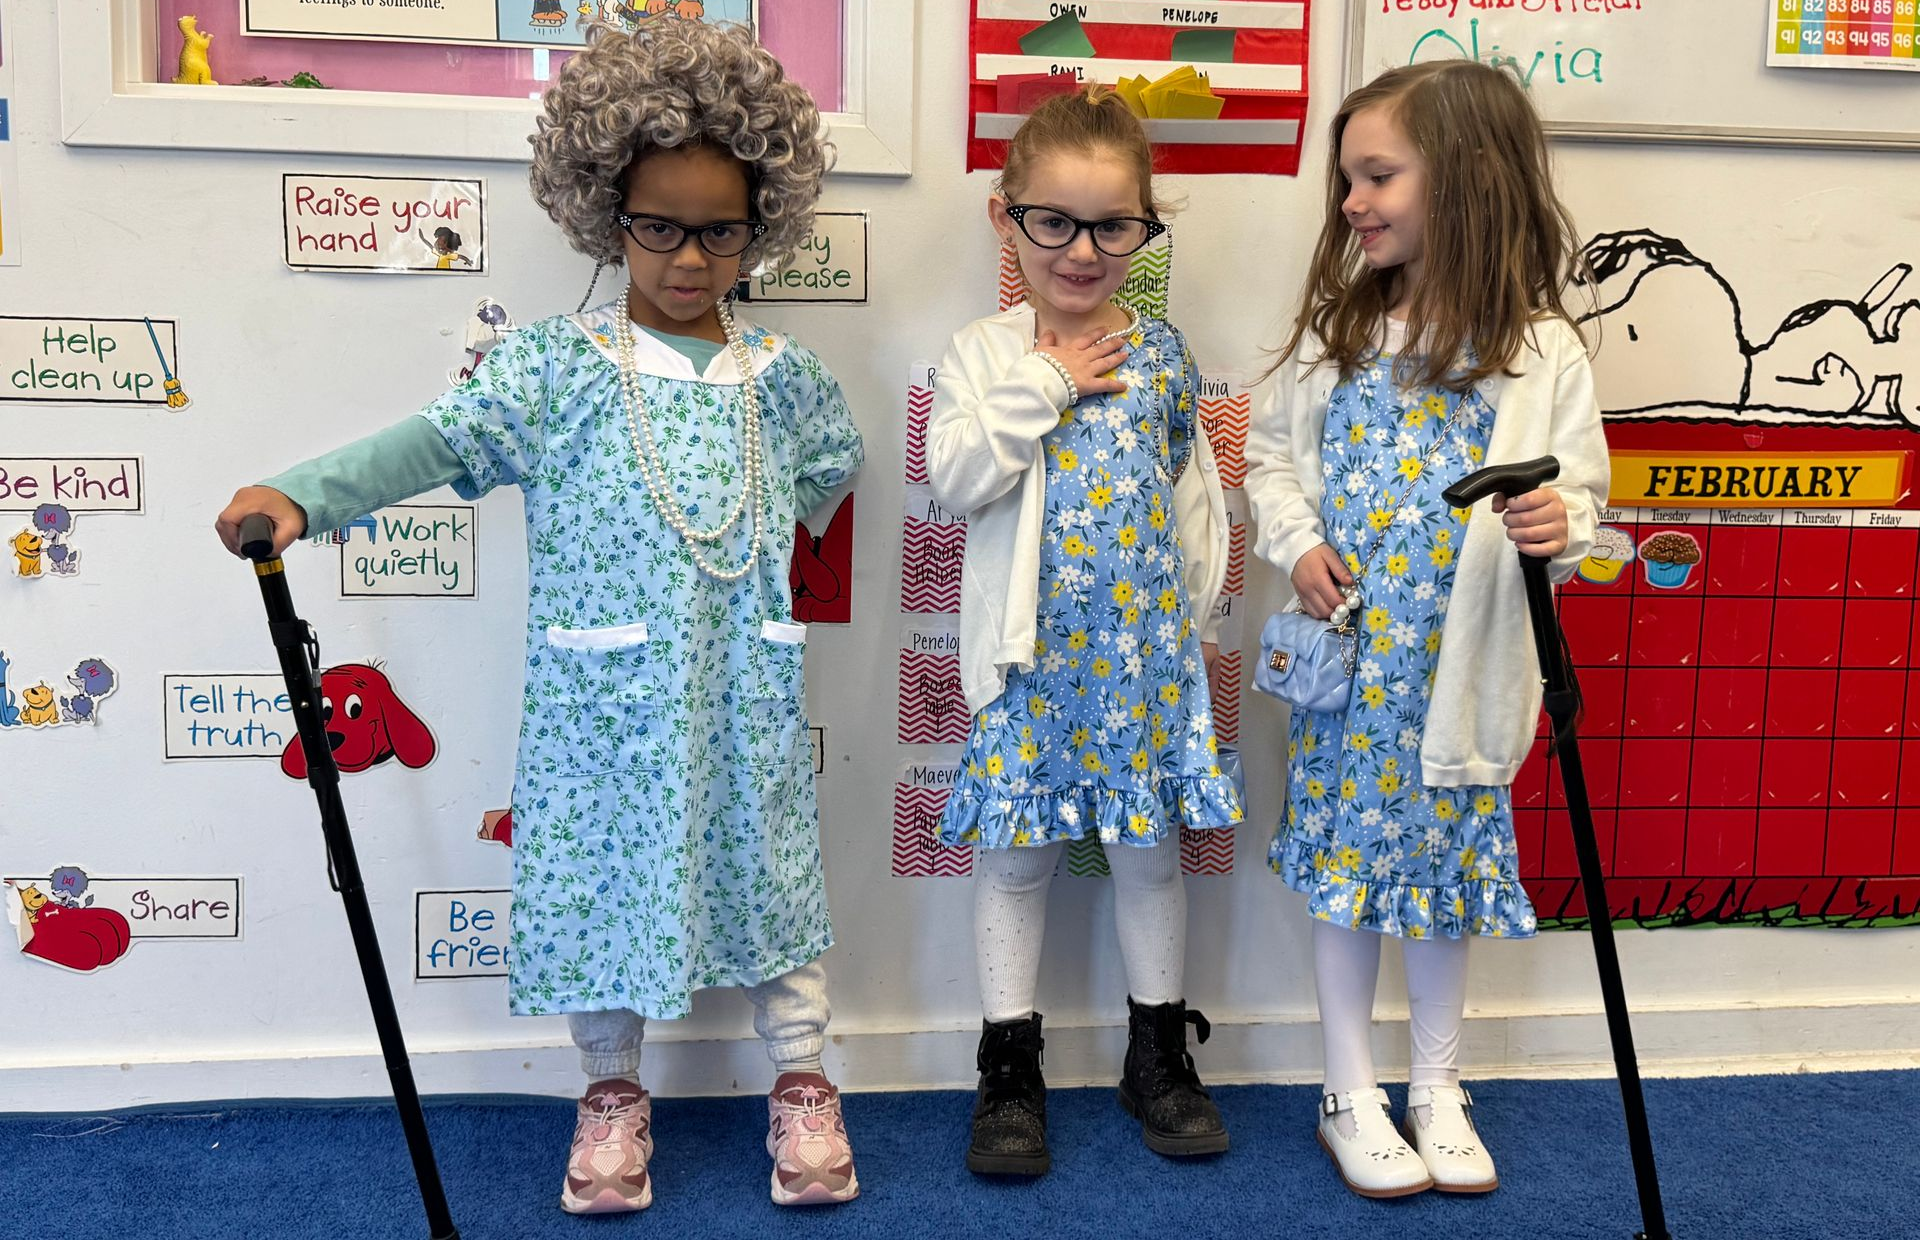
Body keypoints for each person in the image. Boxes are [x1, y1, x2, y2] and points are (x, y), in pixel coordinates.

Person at [214, 19, 863, 1215]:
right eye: (655, 224)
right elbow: (435, 442)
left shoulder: (788, 379)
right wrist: (307, 491)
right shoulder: (557, 369)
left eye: (717, 230)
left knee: (768, 870)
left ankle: (805, 1077)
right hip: (599, 702)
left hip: (743, 694)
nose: (686, 256)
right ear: (603, 211)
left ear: (759, 222)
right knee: (602, 878)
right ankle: (611, 1089)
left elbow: (826, 474)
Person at [1244, 59, 1610, 1199]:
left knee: (1445, 877)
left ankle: (1439, 1083)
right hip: (1352, 675)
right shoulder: (1334, 335)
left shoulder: (1539, 352)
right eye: (1347, 178)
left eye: (1378, 174)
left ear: (1467, 177)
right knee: (1350, 879)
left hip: (1463, 678)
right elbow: (1270, 464)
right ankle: (1348, 1084)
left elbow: (1588, 501)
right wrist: (1297, 546)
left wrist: (1565, 522)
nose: (1352, 201)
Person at [926, 85, 1242, 1177]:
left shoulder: (1162, 353)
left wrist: (1192, 621)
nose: (1082, 249)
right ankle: (1009, 1072)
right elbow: (957, 475)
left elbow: (1190, 496)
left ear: (1144, 230)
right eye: (1053, 221)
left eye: (1114, 225)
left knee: (1152, 859)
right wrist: (1046, 380)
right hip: (1031, 668)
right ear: (1005, 217)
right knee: (1015, 861)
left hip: (1145, 669)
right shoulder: (983, 353)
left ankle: (1156, 1055)